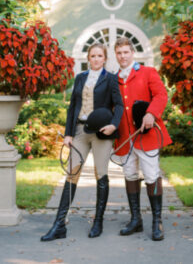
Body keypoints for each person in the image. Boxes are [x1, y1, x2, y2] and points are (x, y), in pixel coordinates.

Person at [41, 43, 123, 242]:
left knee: (101, 174)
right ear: (89, 58)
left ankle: (98, 221)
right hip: (80, 131)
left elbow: (119, 104)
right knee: (72, 173)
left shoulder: (111, 78)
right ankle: (59, 224)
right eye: (92, 56)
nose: (95, 59)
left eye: (99, 56)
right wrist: (68, 134)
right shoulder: (80, 78)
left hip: (102, 133)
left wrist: (113, 125)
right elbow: (72, 107)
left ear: (104, 58)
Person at [113, 37, 172, 241]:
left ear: (132, 53)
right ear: (116, 55)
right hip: (125, 137)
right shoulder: (114, 79)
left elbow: (161, 95)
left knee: (151, 175)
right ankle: (136, 220)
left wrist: (151, 113)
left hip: (147, 136)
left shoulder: (147, 72)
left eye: (126, 52)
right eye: (119, 53)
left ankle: (157, 221)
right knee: (130, 175)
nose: (123, 56)